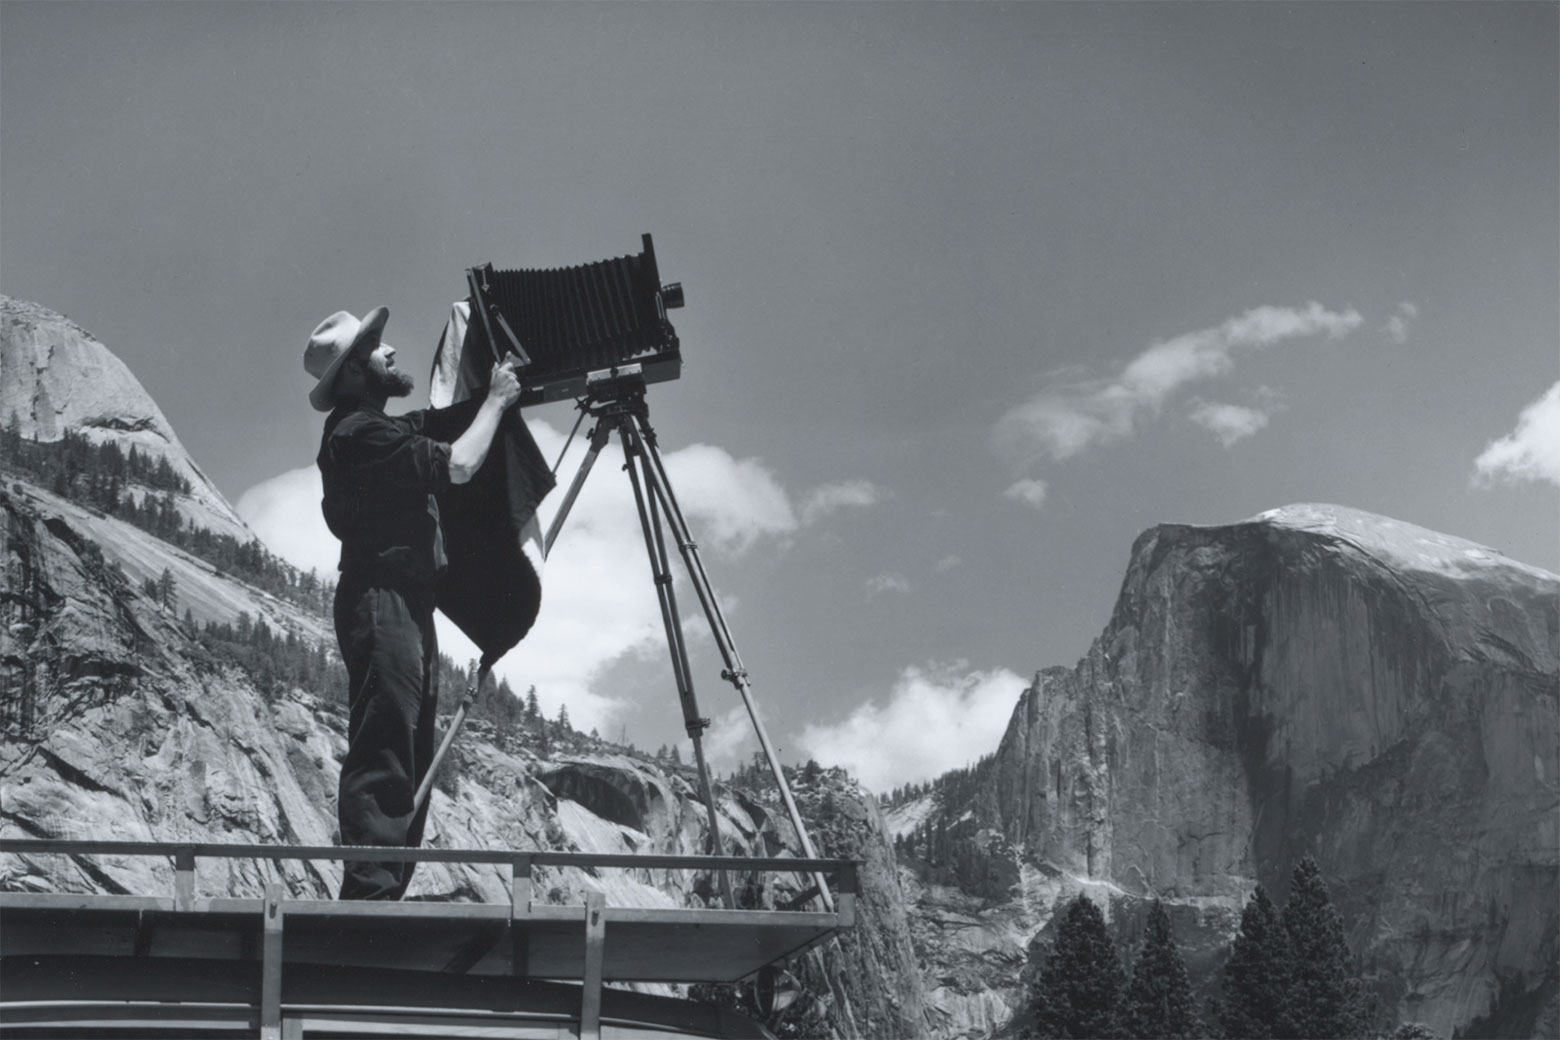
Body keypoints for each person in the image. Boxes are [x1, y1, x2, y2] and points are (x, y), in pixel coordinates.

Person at [302, 306, 521, 900]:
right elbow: (459, 462)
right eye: (376, 346)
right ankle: (370, 896)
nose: (391, 351)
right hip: (383, 599)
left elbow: (441, 423)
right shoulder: (358, 434)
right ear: (350, 374)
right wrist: (497, 402)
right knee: (389, 739)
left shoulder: (379, 429)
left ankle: (382, 891)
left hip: (406, 603)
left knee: (412, 748)